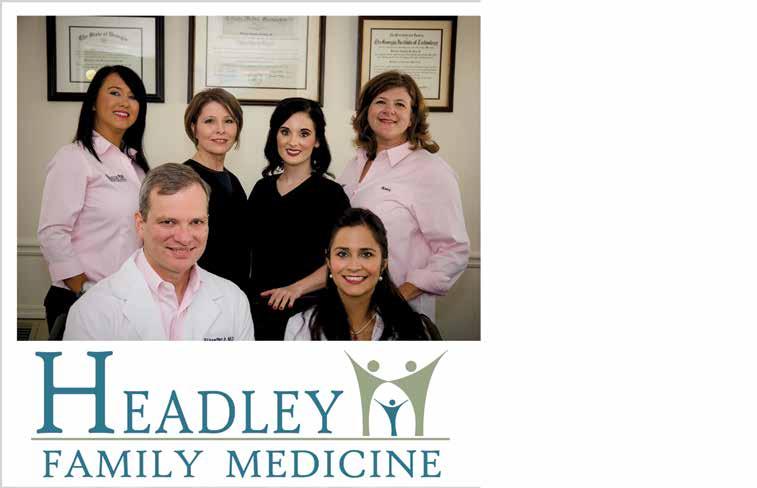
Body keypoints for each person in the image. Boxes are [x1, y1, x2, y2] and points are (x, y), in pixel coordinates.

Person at [64, 163, 254, 340]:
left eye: (196, 222)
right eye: (168, 222)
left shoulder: (233, 301)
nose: (184, 238)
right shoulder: (92, 311)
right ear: (140, 224)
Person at [338, 71, 470, 321]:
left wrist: (397, 297)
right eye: (380, 101)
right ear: (366, 110)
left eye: (400, 104)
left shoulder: (431, 171)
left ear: (412, 118)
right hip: (349, 306)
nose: (389, 110)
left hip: (399, 312)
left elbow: (454, 251)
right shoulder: (354, 164)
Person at [38, 65, 150, 333]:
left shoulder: (136, 166)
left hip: (128, 297)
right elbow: (53, 233)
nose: (125, 102)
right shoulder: (74, 158)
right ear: (93, 103)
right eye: (115, 92)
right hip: (82, 298)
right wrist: (85, 290)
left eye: (133, 96)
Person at [247, 98, 350, 340]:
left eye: (304, 134)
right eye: (285, 132)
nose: (293, 142)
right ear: (275, 136)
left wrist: (297, 288)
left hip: (309, 314)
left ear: (317, 141)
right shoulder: (261, 189)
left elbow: (345, 259)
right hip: (259, 313)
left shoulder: (332, 195)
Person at [284, 208, 435, 341]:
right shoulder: (300, 328)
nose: (354, 266)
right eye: (342, 254)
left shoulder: (414, 329)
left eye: (366, 254)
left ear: (383, 264)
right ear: (328, 262)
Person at [183, 88, 249, 289]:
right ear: (194, 128)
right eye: (209, 121)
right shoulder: (184, 179)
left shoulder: (233, 181)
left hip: (234, 293)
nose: (221, 130)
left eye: (228, 121)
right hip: (197, 292)